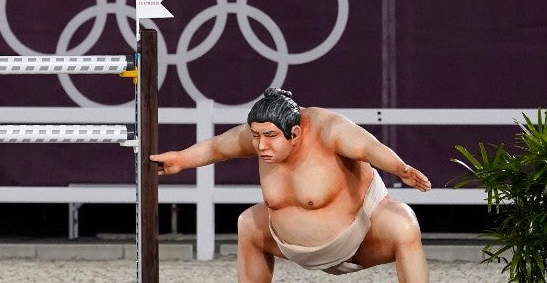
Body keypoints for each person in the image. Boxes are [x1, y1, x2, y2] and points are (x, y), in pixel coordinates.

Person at [150, 87, 432, 282]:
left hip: (359, 240)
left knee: (403, 222)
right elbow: (216, 148)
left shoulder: (329, 129)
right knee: (249, 223)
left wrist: (400, 169)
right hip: (293, 247)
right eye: (256, 136)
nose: (261, 145)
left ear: (295, 133)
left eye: (270, 136)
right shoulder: (260, 136)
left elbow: (369, 147)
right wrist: (180, 160)